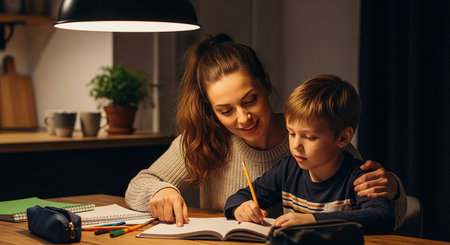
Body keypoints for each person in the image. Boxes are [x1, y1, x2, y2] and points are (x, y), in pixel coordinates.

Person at [125, 34, 406, 228]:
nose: (243, 118)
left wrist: (392, 187)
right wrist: (161, 190)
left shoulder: (313, 133)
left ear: (267, 85)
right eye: (225, 110)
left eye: (250, 100)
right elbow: (138, 186)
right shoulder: (204, 140)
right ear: (211, 110)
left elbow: (389, 212)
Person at [224, 74, 394, 234]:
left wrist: (313, 220)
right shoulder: (287, 170)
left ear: (343, 137)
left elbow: (381, 217)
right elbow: (239, 197)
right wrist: (240, 207)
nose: (296, 145)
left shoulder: (359, 177)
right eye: (291, 133)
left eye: (309, 137)